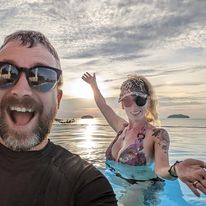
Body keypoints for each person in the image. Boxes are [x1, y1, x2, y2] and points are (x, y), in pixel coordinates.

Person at [0, 31, 118, 206]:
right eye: (6, 73)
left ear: (58, 100)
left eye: (42, 77)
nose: (22, 89)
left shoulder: (86, 185)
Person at [82, 72, 206, 205]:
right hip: (118, 183)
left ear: (148, 102)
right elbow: (103, 106)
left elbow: (161, 169)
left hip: (143, 188)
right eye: (127, 101)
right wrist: (93, 86)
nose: (134, 107)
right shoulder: (121, 128)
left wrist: (176, 169)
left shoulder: (156, 135)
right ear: (122, 104)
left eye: (140, 100)